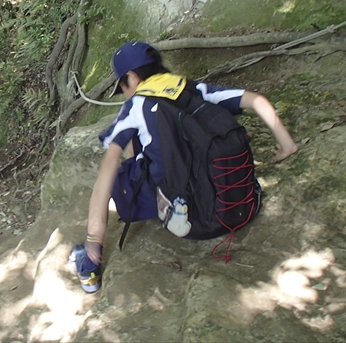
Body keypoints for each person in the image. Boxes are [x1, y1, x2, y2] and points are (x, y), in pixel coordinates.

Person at [70, 41, 298, 293]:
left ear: (132, 78)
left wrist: (94, 242)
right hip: (239, 205)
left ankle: (88, 269)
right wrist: (286, 145)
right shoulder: (193, 87)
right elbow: (256, 100)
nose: (125, 93)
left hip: (191, 223)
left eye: (123, 86)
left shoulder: (135, 107)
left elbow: (108, 169)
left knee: (120, 177)